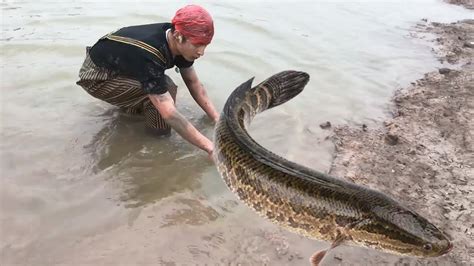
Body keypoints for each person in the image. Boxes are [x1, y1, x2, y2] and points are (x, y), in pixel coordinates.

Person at [76, 5, 218, 159]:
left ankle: (130, 112)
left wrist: (217, 119)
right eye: (197, 45)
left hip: (123, 67)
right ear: (178, 36)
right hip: (96, 76)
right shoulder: (151, 52)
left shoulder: (178, 40)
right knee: (164, 92)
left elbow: (193, 83)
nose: (201, 52)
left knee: (161, 88)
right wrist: (209, 147)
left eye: (205, 45)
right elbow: (169, 113)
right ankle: (157, 141)